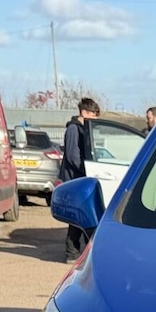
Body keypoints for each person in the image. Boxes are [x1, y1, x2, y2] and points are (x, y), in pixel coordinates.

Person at [60, 97, 101, 261]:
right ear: (84, 112)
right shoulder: (73, 129)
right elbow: (72, 155)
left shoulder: (82, 129)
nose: (95, 119)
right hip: (74, 179)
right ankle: (72, 252)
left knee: (82, 214)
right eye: (94, 114)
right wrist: (87, 169)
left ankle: (80, 251)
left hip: (80, 177)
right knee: (77, 216)